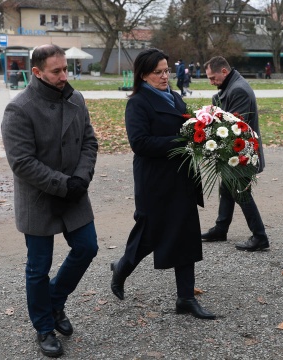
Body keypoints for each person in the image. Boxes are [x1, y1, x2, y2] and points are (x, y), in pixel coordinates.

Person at [1, 44, 99, 357]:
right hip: (40, 197)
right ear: (37, 72)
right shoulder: (19, 108)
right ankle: (44, 326)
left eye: (65, 69)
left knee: (87, 247)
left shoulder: (75, 99)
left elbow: (89, 142)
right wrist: (63, 184)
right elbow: (22, 163)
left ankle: (55, 302)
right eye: (56, 71)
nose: (63, 76)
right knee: (38, 266)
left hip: (74, 191)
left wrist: (81, 178)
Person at [110, 48, 215, 320]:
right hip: (155, 183)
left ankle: (186, 298)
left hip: (182, 179)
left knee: (186, 236)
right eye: (158, 72)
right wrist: (182, 141)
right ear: (144, 75)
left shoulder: (176, 98)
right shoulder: (138, 103)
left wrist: (205, 129)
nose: (164, 76)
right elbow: (140, 143)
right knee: (148, 237)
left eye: (166, 70)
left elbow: (191, 128)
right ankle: (121, 269)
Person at [201, 56, 269, 252]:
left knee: (240, 192)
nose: (211, 82)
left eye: (213, 78)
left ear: (224, 71)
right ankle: (221, 229)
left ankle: (260, 236)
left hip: (242, 153)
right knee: (227, 189)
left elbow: (233, 127)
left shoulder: (238, 89)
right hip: (237, 152)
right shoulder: (230, 87)